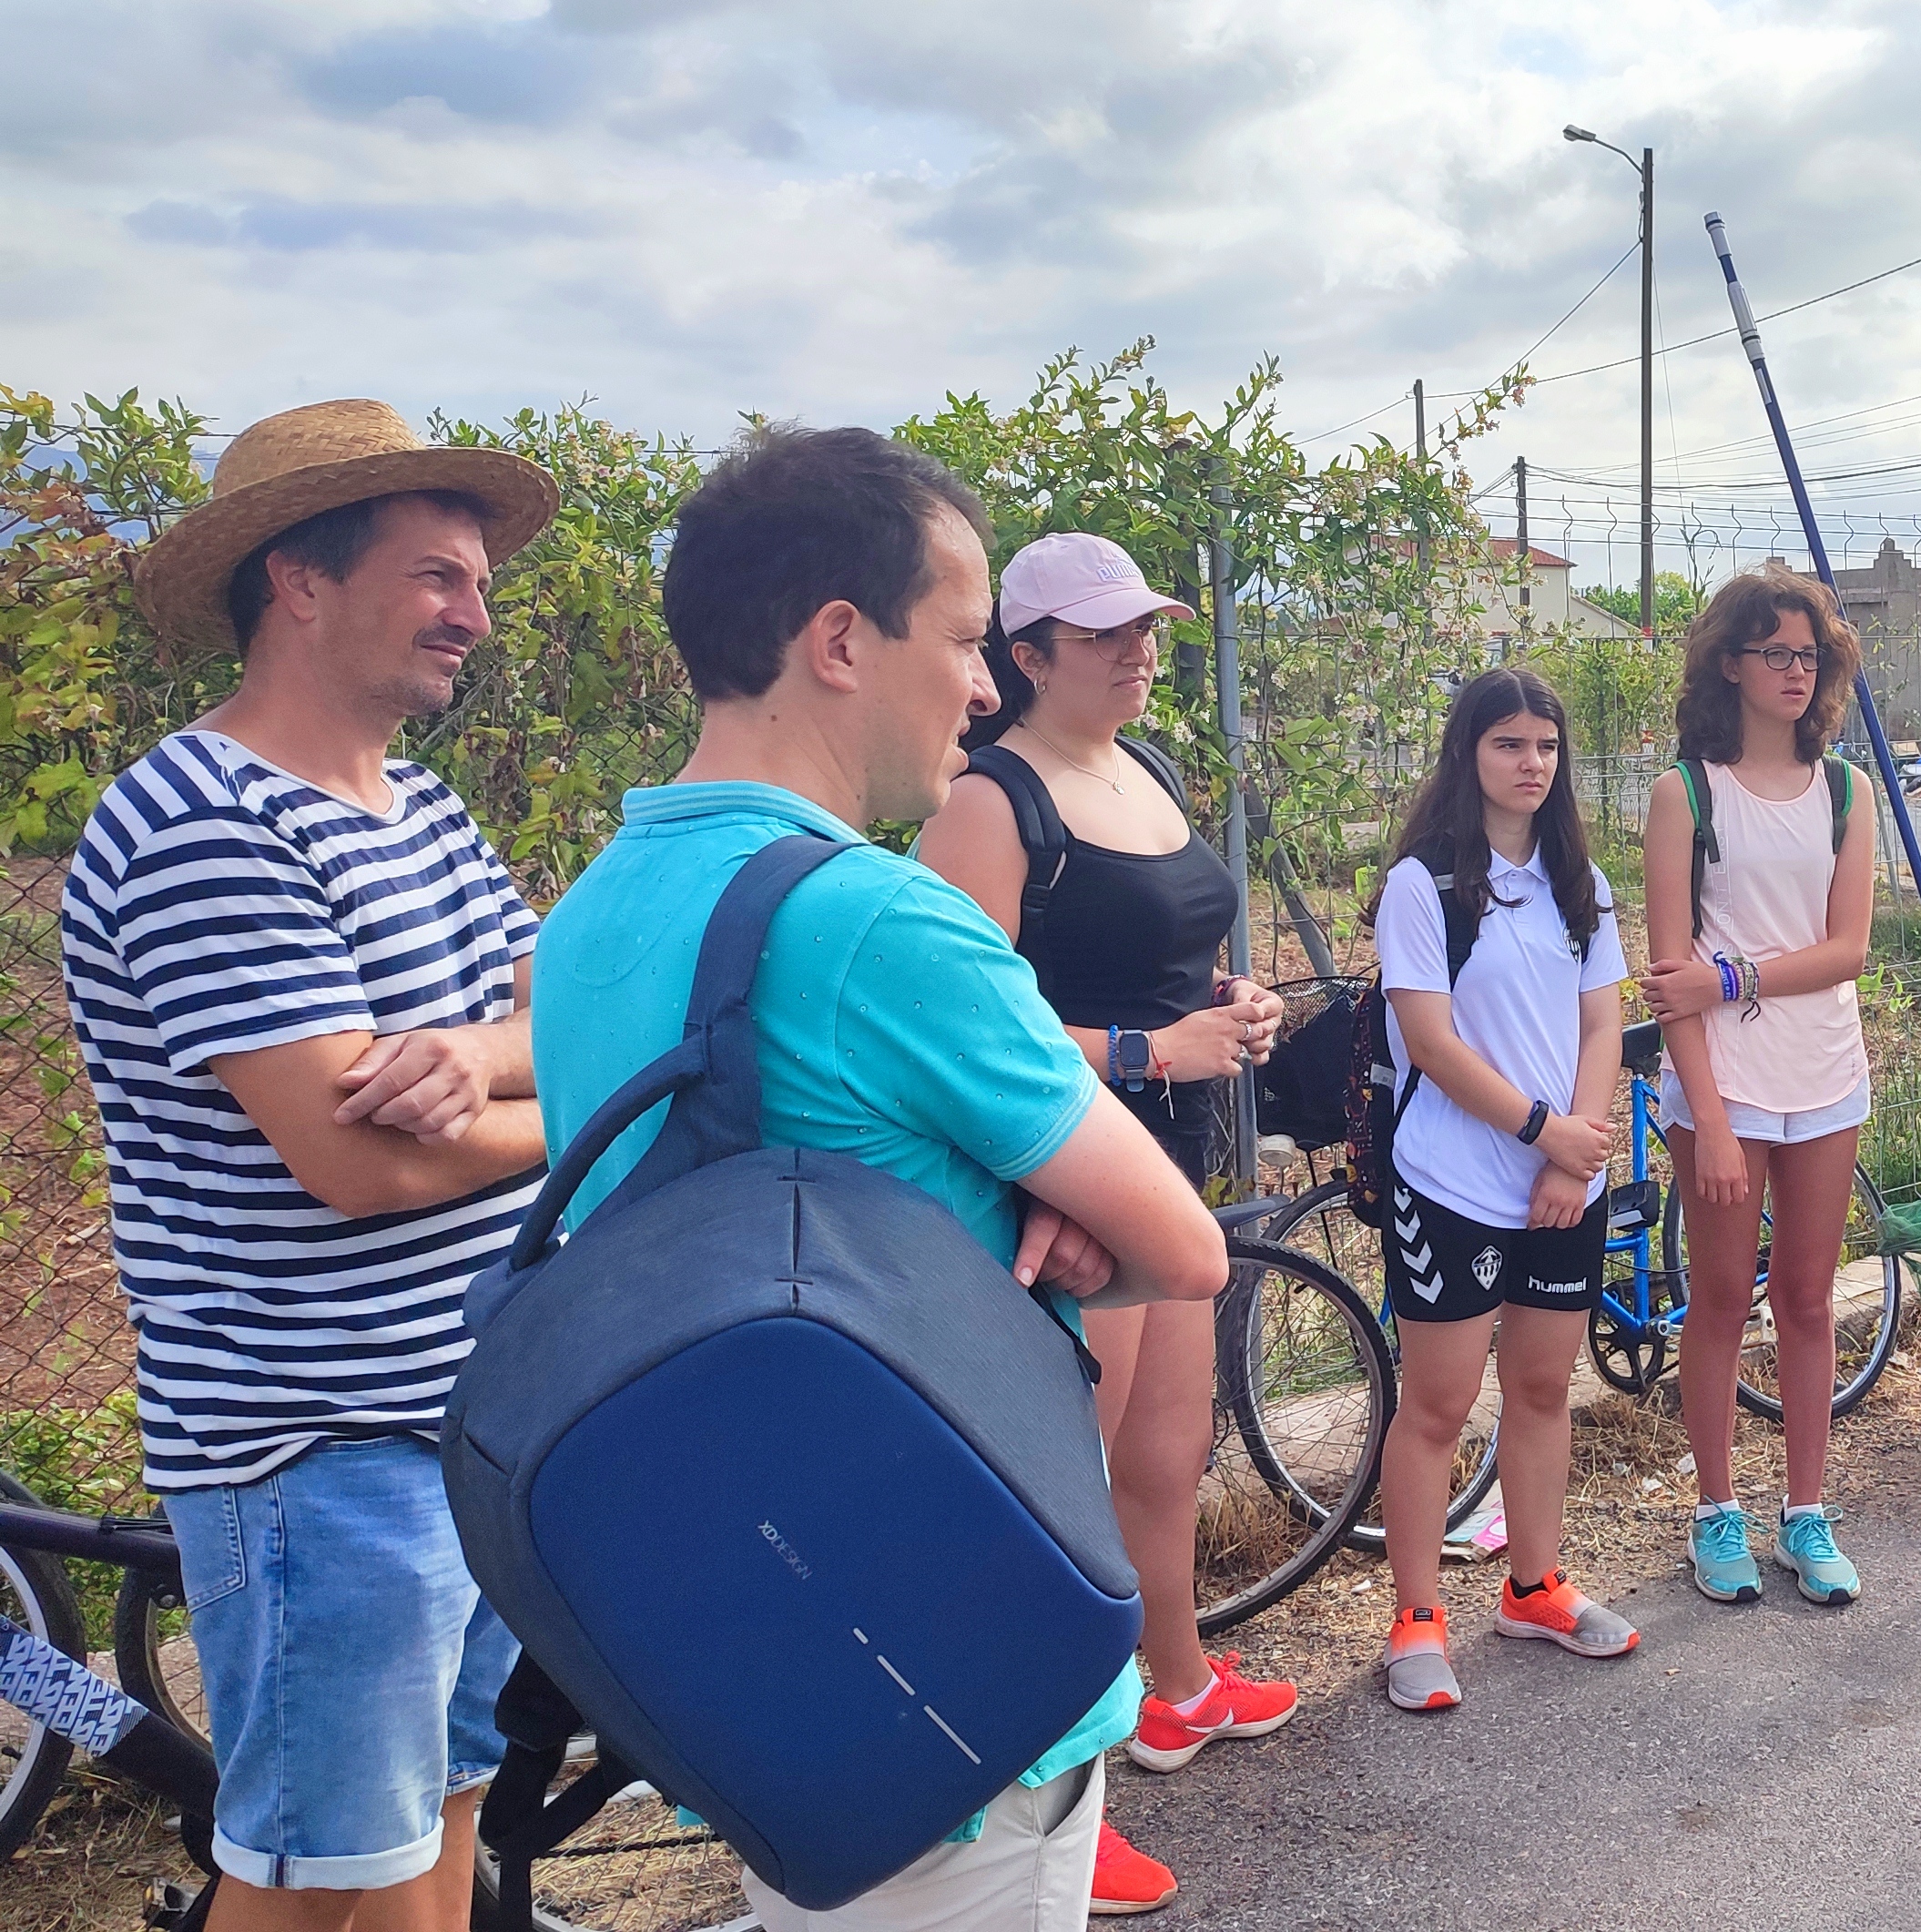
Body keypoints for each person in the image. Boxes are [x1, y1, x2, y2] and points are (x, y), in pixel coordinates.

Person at [531, 426, 1231, 1931]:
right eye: (971, 640)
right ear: (840, 640)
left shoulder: (593, 909)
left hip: (757, 1634)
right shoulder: (880, 923)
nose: (987, 689)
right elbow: (1181, 1243)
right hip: (965, 1664)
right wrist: (1064, 1190)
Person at [59, 398, 558, 1929]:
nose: (475, 613)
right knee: (305, 1884)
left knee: (437, 1824)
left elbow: (563, 1013)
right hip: (320, 1454)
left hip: (464, 1417)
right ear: (300, 580)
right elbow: (360, 1170)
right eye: (437, 576)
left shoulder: (417, 805)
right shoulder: (203, 823)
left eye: (477, 579)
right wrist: (578, 1097)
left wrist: (477, 1061)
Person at [913, 530, 1295, 1917]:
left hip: (1166, 1170)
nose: (1140, 652)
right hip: (1058, 1188)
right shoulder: (985, 801)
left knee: (1164, 1451)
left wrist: (1233, 1008)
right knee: (1061, 1498)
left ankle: (1176, 1686)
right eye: (1105, 636)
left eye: (1148, 629)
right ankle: (1058, 1797)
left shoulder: (1152, 770)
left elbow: (1173, 960)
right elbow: (963, 1029)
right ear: (1024, 659)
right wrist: (1152, 1054)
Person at [1370, 666, 1640, 1713]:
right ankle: (1417, 1616)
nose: (1532, 764)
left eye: (1546, 746)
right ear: (1467, 754)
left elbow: (1601, 1023)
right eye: (1508, 745)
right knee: (1436, 1404)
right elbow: (1430, 1041)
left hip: (1563, 1183)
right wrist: (1541, 1132)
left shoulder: (1582, 882)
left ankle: (1533, 1585)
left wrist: (1573, 1156)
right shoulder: (1423, 884)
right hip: (1453, 1179)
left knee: (1539, 1388)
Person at [1638, 570, 1878, 1608]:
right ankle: (1715, 1512)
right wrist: (1716, 1122)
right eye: (1773, 651)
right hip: (1721, 1087)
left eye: (1808, 654)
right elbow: (1667, 975)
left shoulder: (1846, 790)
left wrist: (1732, 976)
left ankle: (1807, 1511)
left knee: (1811, 1298)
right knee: (1724, 1299)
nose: (1794, 670)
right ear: (1728, 662)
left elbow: (1847, 952)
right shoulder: (1682, 791)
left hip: (1826, 1074)